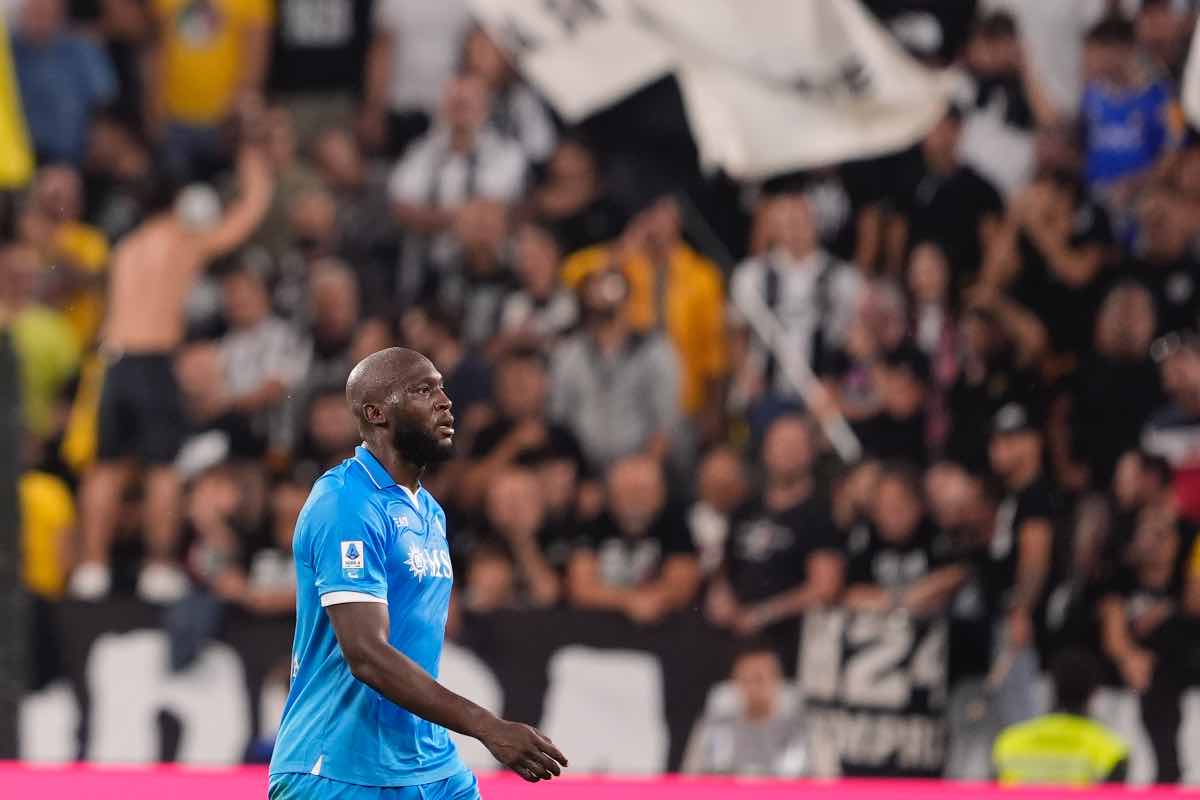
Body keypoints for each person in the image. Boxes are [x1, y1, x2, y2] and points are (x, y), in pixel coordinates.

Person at [269, 347, 568, 798]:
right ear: (376, 413)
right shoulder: (345, 502)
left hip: (428, 763)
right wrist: (486, 725)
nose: (445, 401)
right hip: (337, 767)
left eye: (442, 388)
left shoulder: (428, 511)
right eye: (423, 390)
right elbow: (366, 654)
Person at [69, 127, 273, 601]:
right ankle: (157, 568)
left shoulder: (125, 247)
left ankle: (91, 568)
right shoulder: (181, 239)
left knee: (105, 468)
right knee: (162, 469)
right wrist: (256, 172)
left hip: (113, 361)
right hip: (154, 360)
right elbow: (244, 220)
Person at [705, 415, 844, 675]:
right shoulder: (745, 508)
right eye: (780, 444)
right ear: (766, 450)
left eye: (795, 445)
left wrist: (764, 614)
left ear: (810, 453)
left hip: (790, 642)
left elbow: (824, 587)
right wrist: (720, 594)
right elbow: (724, 566)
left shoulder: (821, 514)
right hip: (735, 636)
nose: (787, 452)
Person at [566, 455, 700, 625]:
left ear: (661, 494)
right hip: (597, 630)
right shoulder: (594, 523)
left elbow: (683, 586)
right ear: (611, 496)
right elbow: (579, 588)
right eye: (626, 491)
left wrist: (653, 599)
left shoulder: (675, 523)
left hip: (663, 630)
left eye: (643, 491)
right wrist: (628, 601)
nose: (635, 500)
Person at [992, 649, 1128, 785]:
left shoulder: (1008, 742)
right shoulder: (1110, 750)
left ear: (1052, 686)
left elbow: (989, 791)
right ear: (1094, 693)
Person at [10, 0, 116, 165]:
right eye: (35, 11)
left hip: (79, 157)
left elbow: (105, 104)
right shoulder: (8, 53)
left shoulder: (82, 49)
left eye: (47, 12)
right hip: (21, 158)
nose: (40, 18)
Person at [681, 642, 807, 777]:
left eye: (759, 679)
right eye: (744, 680)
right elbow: (689, 777)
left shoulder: (798, 729)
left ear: (777, 680)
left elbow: (814, 780)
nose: (752, 687)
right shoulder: (715, 727)